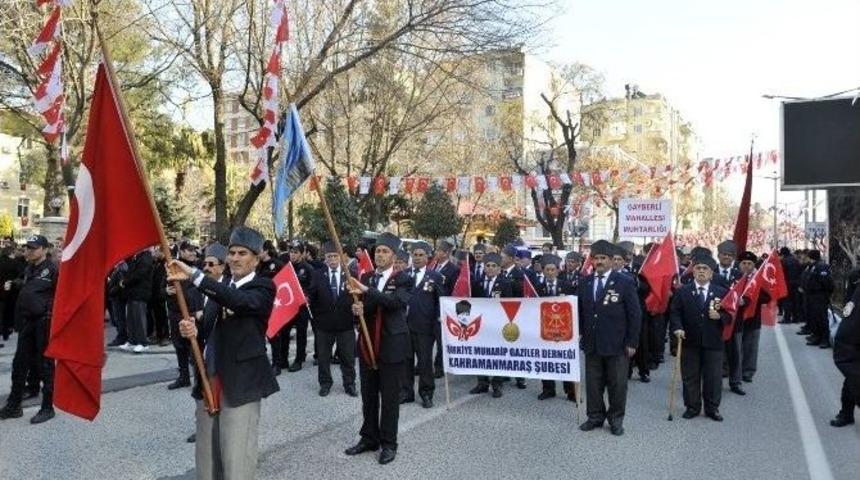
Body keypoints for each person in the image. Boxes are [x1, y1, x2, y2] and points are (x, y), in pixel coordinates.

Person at [172, 227, 280, 480]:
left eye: (242, 253)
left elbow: (239, 301)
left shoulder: (263, 287)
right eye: (231, 253)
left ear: (256, 258)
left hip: (240, 383)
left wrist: (195, 276)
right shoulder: (221, 287)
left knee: (236, 458)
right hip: (209, 378)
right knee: (207, 458)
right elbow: (208, 331)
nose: (234, 258)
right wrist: (192, 331)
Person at [345, 232, 411, 465]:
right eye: (378, 251)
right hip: (367, 343)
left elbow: (394, 304)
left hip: (391, 345)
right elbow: (366, 307)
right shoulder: (368, 277)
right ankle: (369, 437)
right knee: (369, 395)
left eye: (385, 251)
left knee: (390, 397)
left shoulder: (403, 278)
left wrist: (366, 291)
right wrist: (358, 310)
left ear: (394, 255)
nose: (380, 255)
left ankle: (389, 443)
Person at [577, 240, 642, 436]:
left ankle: (615, 419)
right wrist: (578, 334)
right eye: (595, 258)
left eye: (602, 258)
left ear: (611, 260)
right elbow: (581, 312)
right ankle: (595, 416)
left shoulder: (624, 282)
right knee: (593, 383)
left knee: (617, 384)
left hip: (617, 344)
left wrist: (632, 342)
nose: (599, 261)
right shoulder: (585, 282)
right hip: (592, 343)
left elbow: (635, 314)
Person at [0, 235, 58, 424]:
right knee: (20, 364)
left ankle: (48, 407)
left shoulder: (53, 269)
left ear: (44, 249)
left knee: (45, 365)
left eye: (33, 248)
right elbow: (26, 282)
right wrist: (14, 283)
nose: (29, 251)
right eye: (28, 248)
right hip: (27, 322)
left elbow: (63, 294)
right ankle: (13, 406)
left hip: (44, 322)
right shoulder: (30, 268)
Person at [670, 253, 732, 422]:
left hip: (713, 341)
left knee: (713, 377)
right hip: (690, 340)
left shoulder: (722, 292)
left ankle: (712, 408)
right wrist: (678, 328)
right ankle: (692, 407)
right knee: (690, 376)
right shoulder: (683, 291)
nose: (701, 271)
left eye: (705, 269)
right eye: (698, 268)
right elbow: (675, 313)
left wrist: (721, 317)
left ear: (712, 273)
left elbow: (731, 314)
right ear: (693, 271)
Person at [186, 242, 229, 444]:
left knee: (218, 395)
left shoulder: (228, 290)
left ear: (222, 267)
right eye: (205, 263)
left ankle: (220, 431)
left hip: (220, 357)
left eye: (212, 264)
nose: (207, 268)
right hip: (201, 352)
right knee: (200, 392)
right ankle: (202, 427)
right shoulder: (198, 289)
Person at [311, 242, 357, 398]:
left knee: (348, 357)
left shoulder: (350, 274)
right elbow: (311, 297)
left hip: (345, 324)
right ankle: (325, 384)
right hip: (324, 325)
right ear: (325, 258)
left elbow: (357, 297)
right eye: (329, 256)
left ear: (341, 257)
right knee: (324, 358)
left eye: (335, 256)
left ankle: (349, 384)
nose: (332, 259)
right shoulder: (317, 275)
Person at [401, 241, 442, 408]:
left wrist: (439, 319)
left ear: (427, 257)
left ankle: (426, 393)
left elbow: (441, 301)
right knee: (406, 361)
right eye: (414, 255)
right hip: (405, 326)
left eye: (420, 255)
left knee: (425, 362)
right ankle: (406, 392)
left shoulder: (435, 276)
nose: (417, 258)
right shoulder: (403, 275)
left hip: (425, 328)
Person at [470, 252, 512, 398]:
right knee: (480, 354)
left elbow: (510, 305)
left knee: (497, 354)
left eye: (494, 266)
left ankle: (497, 384)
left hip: (497, 325)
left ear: (499, 269)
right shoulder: (477, 283)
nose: (490, 268)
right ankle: (482, 382)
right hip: (481, 325)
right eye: (487, 265)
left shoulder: (506, 284)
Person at [536, 254, 576, 401]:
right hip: (545, 331)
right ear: (543, 271)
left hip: (564, 330)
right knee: (545, 360)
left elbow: (574, 308)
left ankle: (570, 391)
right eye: (547, 270)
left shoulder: (567, 286)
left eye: (553, 269)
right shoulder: (538, 288)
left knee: (565, 360)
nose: (550, 272)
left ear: (558, 271)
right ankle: (548, 388)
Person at [166, 243, 204, 390]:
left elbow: (200, 290)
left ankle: (200, 380)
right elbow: (166, 286)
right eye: (189, 251)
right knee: (179, 346)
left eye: (194, 251)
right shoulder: (172, 266)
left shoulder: (197, 268)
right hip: (175, 313)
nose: (193, 253)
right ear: (181, 252)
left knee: (194, 347)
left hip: (191, 313)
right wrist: (166, 291)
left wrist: (198, 310)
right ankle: (184, 377)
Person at [281, 241, 317, 373]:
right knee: (284, 332)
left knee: (301, 334)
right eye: (291, 252)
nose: (292, 255)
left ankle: (299, 359)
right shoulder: (287, 267)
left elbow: (313, 287)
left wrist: (308, 297)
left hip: (301, 307)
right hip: (288, 306)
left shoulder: (308, 269)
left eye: (296, 252)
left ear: (302, 254)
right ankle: (282, 359)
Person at [831, 288, 860, 427]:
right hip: (852, 339)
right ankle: (846, 413)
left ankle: (846, 413)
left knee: (854, 377)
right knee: (853, 376)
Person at [431, 240, 459, 378]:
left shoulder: (453, 270)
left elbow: (454, 291)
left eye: (439, 250)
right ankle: (422, 365)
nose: (436, 252)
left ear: (446, 253)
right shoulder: (433, 267)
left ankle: (439, 366)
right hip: (429, 308)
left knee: (441, 341)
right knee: (427, 339)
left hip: (442, 309)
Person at [123, 248, 154, 353]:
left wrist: (126, 282)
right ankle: (132, 340)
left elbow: (140, 274)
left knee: (139, 319)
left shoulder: (146, 256)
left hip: (140, 292)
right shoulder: (136, 256)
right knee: (131, 318)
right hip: (132, 292)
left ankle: (143, 342)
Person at [803, 250, 834, 348]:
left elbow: (826, 282)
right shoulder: (814, 266)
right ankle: (817, 336)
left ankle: (825, 339)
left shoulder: (821, 266)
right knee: (815, 317)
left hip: (819, 296)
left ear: (811, 257)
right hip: (813, 296)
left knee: (821, 318)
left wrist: (826, 294)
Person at [778, 247, 803, 324]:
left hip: (787, 283)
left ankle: (787, 318)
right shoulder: (796, 260)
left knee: (787, 301)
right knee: (795, 301)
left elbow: (781, 273)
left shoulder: (783, 261)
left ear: (782, 254)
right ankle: (795, 318)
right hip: (796, 283)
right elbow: (800, 271)